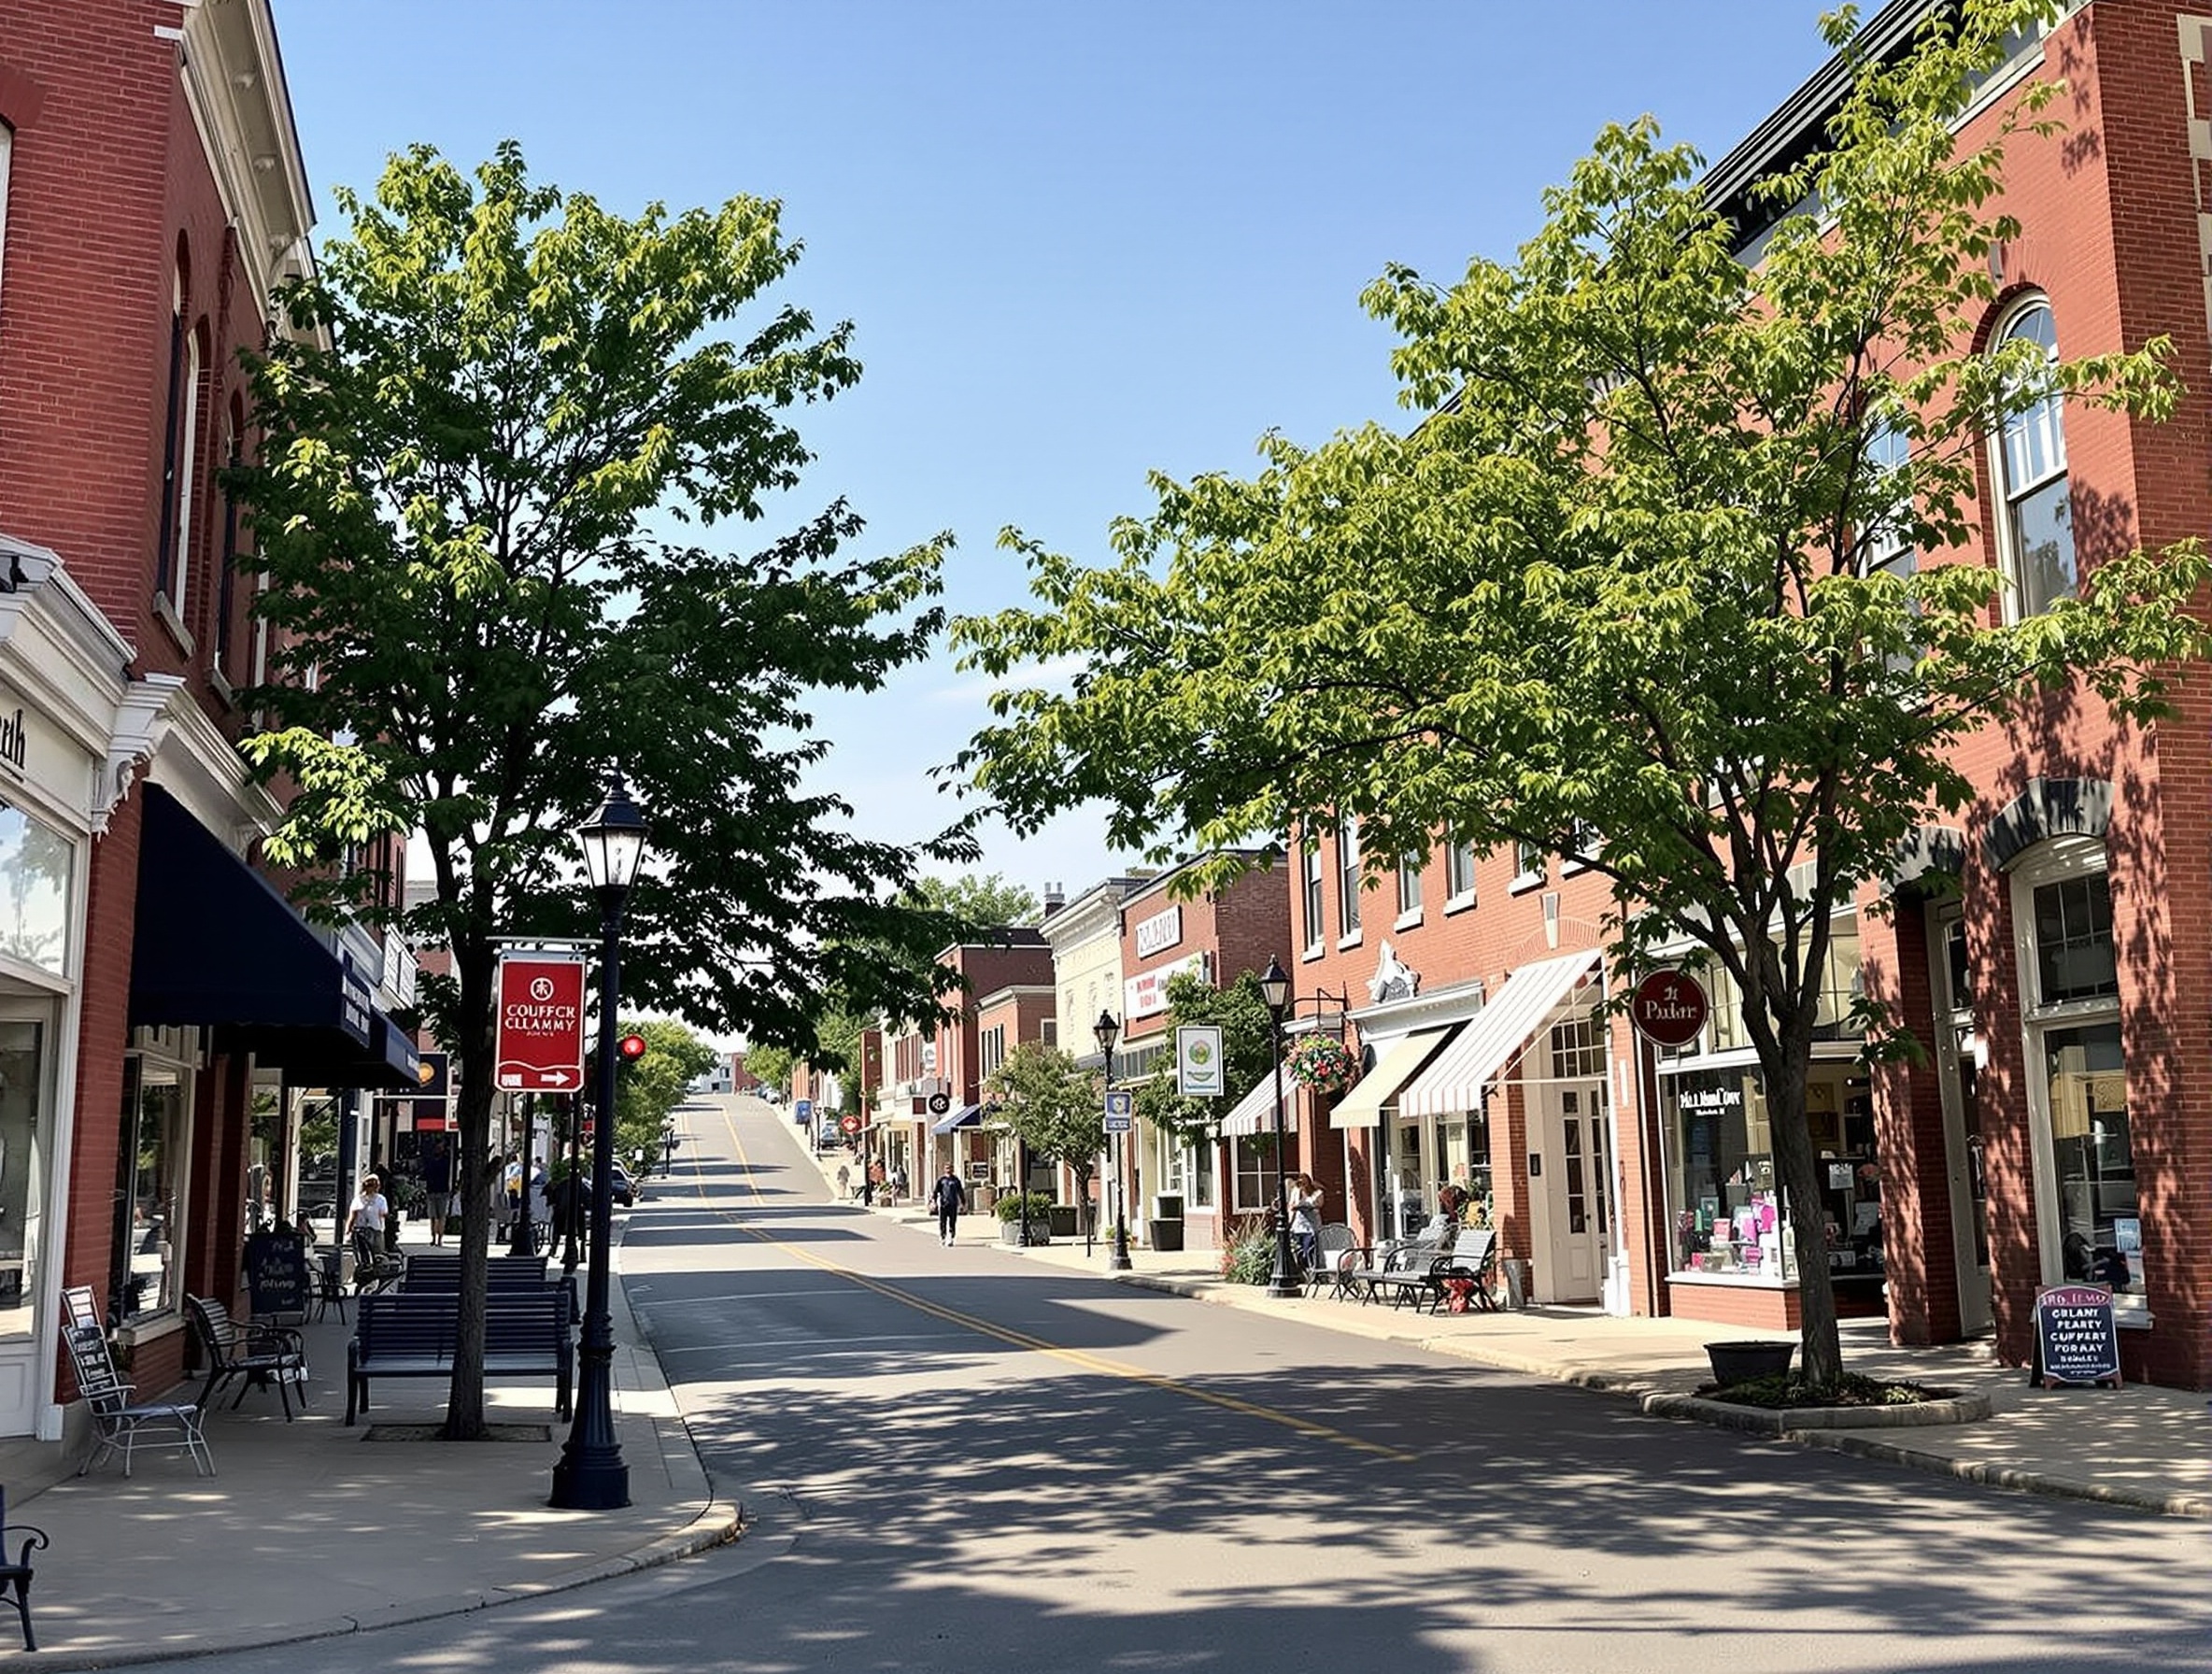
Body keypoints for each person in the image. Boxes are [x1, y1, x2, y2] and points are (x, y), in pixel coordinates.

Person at [343, 1172, 390, 1273]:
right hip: (360, 1230)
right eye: (371, 1185)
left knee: (378, 1255)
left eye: (376, 1185)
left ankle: (377, 1273)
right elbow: (352, 1215)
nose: (374, 1187)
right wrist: (348, 1230)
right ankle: (363, 1270)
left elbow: (384, 1213)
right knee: (362, 1254)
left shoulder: (381, 1199)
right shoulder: (358, 1199)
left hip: (376, 1229)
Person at [418, 1132, 455, 1246]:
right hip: (437, 1191)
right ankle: (435, 1238)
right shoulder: (446, 1161)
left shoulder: (437, 1161)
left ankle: (438, 1238)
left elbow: (424, 1175)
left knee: (438, 1216)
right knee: (436, 1217)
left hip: (439, 1191)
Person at [1288, 1173, 1324, 1272]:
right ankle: (1301, 1272)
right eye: (1300, 1182)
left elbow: (1316, 1204)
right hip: (1298, 1226)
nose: (1302, 1184)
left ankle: (1312, 1270)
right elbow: (1291, 1206)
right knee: (1297, 1250)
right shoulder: (1296, 1191)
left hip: (1311, 1226)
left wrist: (1304, 1195)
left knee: (1309, 1249)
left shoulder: (1317, 1193)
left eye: (1304, 1182)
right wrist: (1290, 1222)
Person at [929, 1166, 967, 1245]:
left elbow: (960, 1192)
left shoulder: (956, 1180)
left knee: (952, 1222)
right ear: (944, 1170)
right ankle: (943, 1237)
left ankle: (951, 1238)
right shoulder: (941, 1180)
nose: (948, 1170)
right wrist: (934, 1202)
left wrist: (963, 1203)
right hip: (943, 1204)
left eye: (950, 1168)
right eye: (947, 1168)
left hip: (953, 1204)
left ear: (952, 1169)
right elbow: (936, 1191)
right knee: (942, 1222)